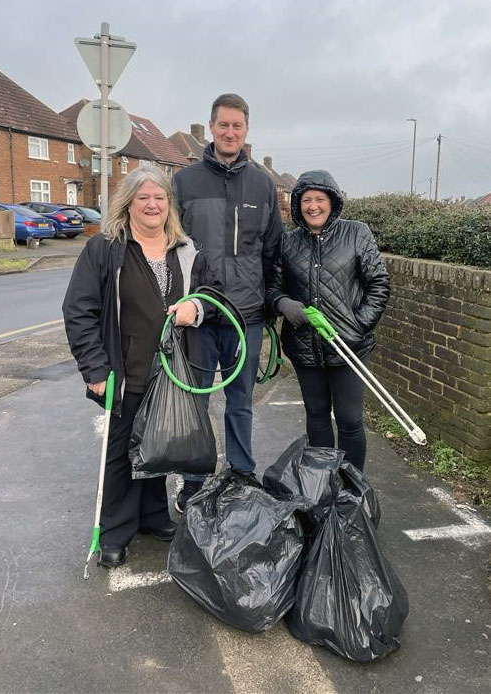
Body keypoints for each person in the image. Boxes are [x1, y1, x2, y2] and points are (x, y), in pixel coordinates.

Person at [62, 166, 214, 568]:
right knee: (121, 452)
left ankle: (152, 517)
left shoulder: (187, 250)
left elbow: (212, 297)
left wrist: (194, 308)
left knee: (160, 446)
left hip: (173, 371)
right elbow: (78, 310)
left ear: (169, 205)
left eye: (159, 197)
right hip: (124, 373)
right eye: (143, 197)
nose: (152, 204)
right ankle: (115, 530)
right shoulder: (106, 249)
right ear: (128, 203)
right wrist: (94, 368)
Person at [173, 93, 283, 511]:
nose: (230, 132)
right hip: (198, 315)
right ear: (212, 126)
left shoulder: (262, 184)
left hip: (247, 316)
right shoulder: (186, 182)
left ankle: (241, 472)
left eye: (238, 126)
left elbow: (272, 249)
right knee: (196, 400)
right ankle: (194, 479)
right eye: (223, 125)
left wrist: (272, 303)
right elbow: (172, 245)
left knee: (240, 402)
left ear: (246, 130)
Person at [266, 170, 390, 471]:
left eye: (319, 199)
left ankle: (351, 490)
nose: (313, 206)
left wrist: (357, 327)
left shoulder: (357, 233)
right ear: (297, 205)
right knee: (317, 416)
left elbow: (379, 284)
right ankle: (323, 486)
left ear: (332, 202)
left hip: (350, 349)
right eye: (306, 200)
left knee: (349, 421)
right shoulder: (287, 242)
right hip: (305, 349)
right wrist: (285, 305)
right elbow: (272, 289)